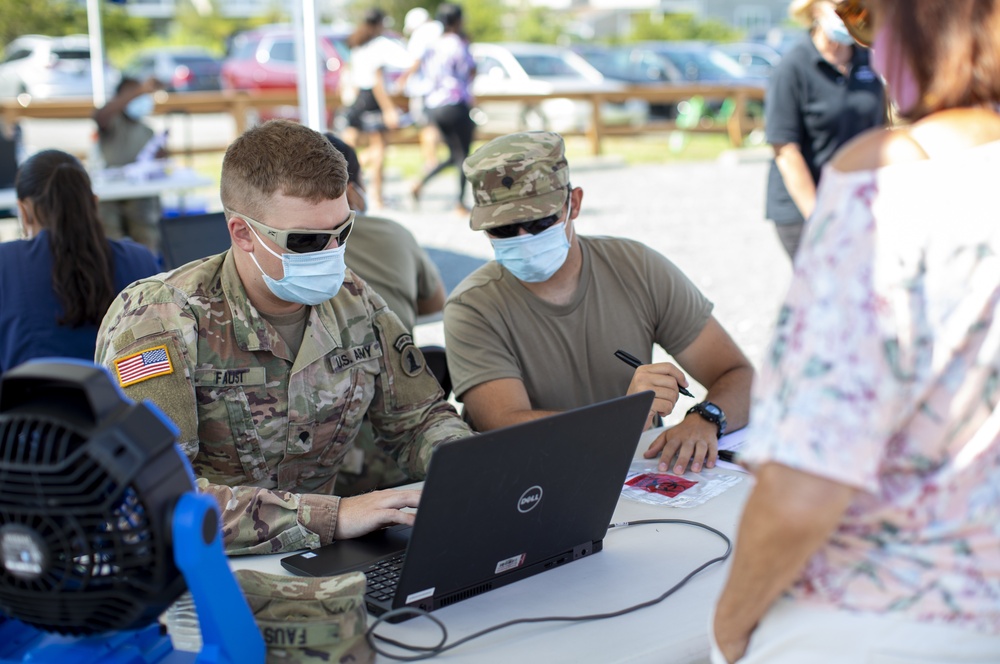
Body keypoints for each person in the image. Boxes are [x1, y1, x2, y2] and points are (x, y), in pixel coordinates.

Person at [712, 1, 1000, 661]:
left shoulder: (891, 177)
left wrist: (728, 629)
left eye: (872, 17)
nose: (868, 41)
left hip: (887, 616)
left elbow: (804, 488)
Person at [95, 120, 472, 555]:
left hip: (320, 557)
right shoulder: (160, 318)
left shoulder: (353, 301)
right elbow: (154, 496)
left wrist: (467, 472)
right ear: (242, 233)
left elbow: (419, 419)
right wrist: (334, 516)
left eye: (342, 232)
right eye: (306, 240)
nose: (331, 253)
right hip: (204, 569)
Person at [444, 131, 754, 476]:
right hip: (529, 482)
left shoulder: (636, 268)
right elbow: (505, 424)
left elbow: (739, 375)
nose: (523, 240)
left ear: (573, 204)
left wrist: (707, 418)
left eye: (538, 222)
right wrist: (626, 415)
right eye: (502, 229)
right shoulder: (472, 307)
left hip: (634, 472)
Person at [325, 132, 446, 495]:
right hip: (383, 462)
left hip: (357, 459)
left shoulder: (274, 253)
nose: (327, 247)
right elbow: (434, 303)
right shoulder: (395, 233)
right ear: (354, 186)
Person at [0, 150, 159, 373]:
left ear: (24, 212)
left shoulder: (6, 264)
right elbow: (156, 360)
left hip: (28, 405)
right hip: (121, 406)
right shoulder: (141, 261)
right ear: (93, 204)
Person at [764, 0, 884, 259]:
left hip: (855, 202)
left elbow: (881, 132)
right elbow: (785, 150)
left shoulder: (869, 61)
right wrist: (819, 218)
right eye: (837, 4)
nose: (845, 11)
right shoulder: (793, 67)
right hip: (804, 205)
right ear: (814, 8)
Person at [342, 8, 414, 211]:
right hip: (373, 99)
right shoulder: (380, 46)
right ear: (380, 23)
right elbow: (378, 82)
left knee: (349, 145)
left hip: (358, 100)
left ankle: (354, 181)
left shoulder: (358, 45)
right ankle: (378, 196)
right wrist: (389, 108)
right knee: (380, 149)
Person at [409, 3, 476, 214]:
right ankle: (459, 202)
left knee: (454, 155)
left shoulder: (433, 45)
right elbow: (469, 70)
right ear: (458, 20)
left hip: (435, 105)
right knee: (463, 155)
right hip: (455, 102)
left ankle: (420, 182)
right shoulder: (458, 43)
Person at [93, 76, 167, 252]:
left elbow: (159, 160)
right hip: (110, 195)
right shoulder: (111, 123)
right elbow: (100, 116)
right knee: (110, 240)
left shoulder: (147, 130)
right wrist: (141, 89)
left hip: (141, 196)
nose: (138, 98)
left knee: (146, 237)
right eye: (132, 94)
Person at [402, 6, 444, 175]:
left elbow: (416, 60)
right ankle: (433, 160)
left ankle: (431, 161)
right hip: (442, 90)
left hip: (423, 89)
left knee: (426, 126)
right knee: (434, 125)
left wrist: (402, 80)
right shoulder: (441, 29)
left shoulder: (421, 34)